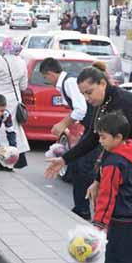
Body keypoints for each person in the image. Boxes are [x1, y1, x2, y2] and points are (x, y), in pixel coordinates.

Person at [45, 67, 132, 263]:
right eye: (83, 93)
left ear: (103, 84)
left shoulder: (124, 102)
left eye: (89, 92)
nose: (86, 98)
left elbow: (114, 147)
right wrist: (65, 160)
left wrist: (98, 221)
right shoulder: (103, 104)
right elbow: (95, 140)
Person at [92, 112, 132, 263]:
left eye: (103, 137)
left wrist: (99, 224)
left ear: (118, 137)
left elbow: (107, 197)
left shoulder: (114, 163)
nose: (100, 141)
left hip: (121, 220)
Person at [39, 57, 96, 220]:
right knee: (78, 165)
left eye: (45, 78)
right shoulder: (68, 82)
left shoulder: (69, 82)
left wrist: (62, 124)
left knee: (83, 167)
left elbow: (81, 109)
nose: (47, 81)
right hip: (91, 128)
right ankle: (82, 208)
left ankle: (87, 209)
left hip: (95, 129)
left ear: (49, 74)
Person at [0, 38, 29, 169]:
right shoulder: (22, 62)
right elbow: (24, 86)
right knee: (12, 129)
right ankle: (13, 159)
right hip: (14, 100)